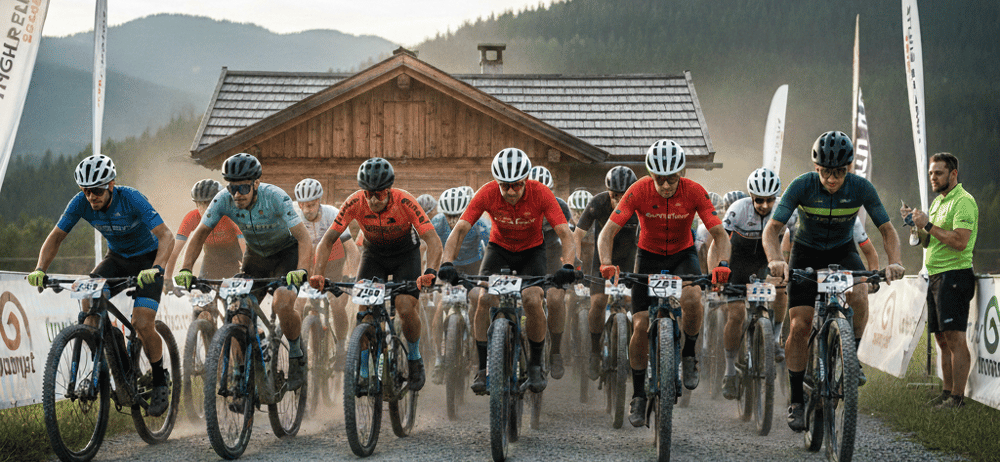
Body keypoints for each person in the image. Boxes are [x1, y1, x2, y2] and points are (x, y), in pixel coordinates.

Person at [761, 131, 905, 431]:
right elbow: (772, 228)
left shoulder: (861, 188)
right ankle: (797, 400)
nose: (832, 179)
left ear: (848, 169)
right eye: (826, 173)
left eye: (839, 173)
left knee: (861, 290)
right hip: (805, 253)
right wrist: (776, 259)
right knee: (800, 326)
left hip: (842, 251)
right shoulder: (801, 185)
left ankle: (851, 352)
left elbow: (888, 230)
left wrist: (895, 262)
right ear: (817, 169)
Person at [597, 140, 732, 427]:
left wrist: (722, 266)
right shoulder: (638, 190)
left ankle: (688, 355)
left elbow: (720, 235)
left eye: (672, 178)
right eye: (660, 178)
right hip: (647, 257)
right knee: (640, 325)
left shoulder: (694, 191)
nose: (667, 185)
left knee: (694, 298)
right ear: (651, 174)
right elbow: (607, 233)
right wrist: (606, 263)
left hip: (683, 256)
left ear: (680, 173)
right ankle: (638, 395)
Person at [28, 154, 175, 416]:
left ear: (110, 185)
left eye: (96, 190)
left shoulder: (131, 198)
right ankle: (111, 348)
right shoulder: (80, 203)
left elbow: (165, 235)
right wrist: (40, 268)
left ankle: (160, 378)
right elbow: (56, 237)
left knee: (142, 323)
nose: (90, 197)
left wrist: (158, 268)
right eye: (85, 191)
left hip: (148, 262)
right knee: (88, 296)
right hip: (116, 259)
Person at [438, 148, 577, 395]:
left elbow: (565, 233)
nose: (511, 191)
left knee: (533, 299)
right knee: (483, 299)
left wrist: (567, 265)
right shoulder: (488, 192)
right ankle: (483, 368)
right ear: (497, 183)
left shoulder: (541, 194)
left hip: (532, 252)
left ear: (526, 180)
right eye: (505, 186)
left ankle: (535, 365)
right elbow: (459, 229)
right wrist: (447, 262)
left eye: (517, 185)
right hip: (498, 250)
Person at [174, 152, 315, 391]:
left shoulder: (276, 197)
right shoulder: (222, 199)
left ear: (256, 184)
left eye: (243, 188)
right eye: (232, 188)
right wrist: (186, 269)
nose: (237, 194)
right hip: (255, 258)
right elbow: (199, 234)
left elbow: (303, 238)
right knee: (238, 311)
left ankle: (296, 353)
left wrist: (301, 270)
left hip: (285, 254)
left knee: (282, 303)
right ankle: (242, 372)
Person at [310, 157, 442, 391]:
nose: (372, 200)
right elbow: (327, 240)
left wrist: (430, 272)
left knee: (404, 306)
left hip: (405, 255)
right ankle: (362, 371)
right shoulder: (355, 202)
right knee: (364, 311)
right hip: (374, 256)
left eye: (379, 194)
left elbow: (432, 239)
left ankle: (414, 359)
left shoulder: (405, 201)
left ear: (389, 191)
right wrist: (318, 274)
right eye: (368, 193)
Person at [900, 152, 978, 409]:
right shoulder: (937, 203)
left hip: (955, 274)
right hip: (935, 276)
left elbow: (959, 241)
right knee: (942, 340)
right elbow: (929, 242)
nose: (933, 177)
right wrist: (916, 226)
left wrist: (929, 225)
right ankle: (947, 393)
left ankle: (958, 399)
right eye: (931, 173)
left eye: (938, 173)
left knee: (955, 339)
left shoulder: (964, 202)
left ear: (953, 174)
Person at [711, 167, 789, 399]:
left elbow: (791, 243)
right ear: (751, 196)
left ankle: (774, 339)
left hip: (767, 262)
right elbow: (717, 242)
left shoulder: (787, 211)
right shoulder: (737, 210)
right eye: (759, 200)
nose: (765, 206)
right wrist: (715, 272)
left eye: (770, 200)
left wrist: (787, 267)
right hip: (738, 264)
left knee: (782, 288)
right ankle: (729, 371)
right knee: (736, 315)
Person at [574, 166, 639, 381]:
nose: (619, 201)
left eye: (624, 196)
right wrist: (575, 263)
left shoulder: (640, 204)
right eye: (614, 196)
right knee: (599, 303)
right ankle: (594, 352)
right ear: (607, 192)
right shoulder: (597, 203)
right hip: (602, 259)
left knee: (635, 304)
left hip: (631, 259)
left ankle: (630, 347)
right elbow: (578, 235)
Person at [291, 178, 359, 361]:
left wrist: (351, 275)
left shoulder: (333, 214)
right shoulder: (294, 216)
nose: (307, 210)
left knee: (337, 306)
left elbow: (352, 250)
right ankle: (297, 347)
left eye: (312, 205)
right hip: (308, 265)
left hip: (335, 264)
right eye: (304, 205)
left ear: (319, 202)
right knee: (297, 305)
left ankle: (342, 348)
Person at [429, 186, 491, 383]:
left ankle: (476, 347)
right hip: (449, 267)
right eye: (449, 215)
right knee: (439, 308)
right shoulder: (437, 222)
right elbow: (429, 246)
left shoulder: (479, 222)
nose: (454, 220)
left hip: (474, 267)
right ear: (442, 213)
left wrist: (489, 276)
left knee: (476, 302)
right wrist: (427, 272)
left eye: (458, 215)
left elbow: (490, 246)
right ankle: (439, 359)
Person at [528, 165, 575, 379]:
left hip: (553, 254)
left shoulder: (561, 207)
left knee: (555, 300)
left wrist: (569, 265)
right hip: (527, 255)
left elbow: (568, 238)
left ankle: (555, 351)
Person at [164, 179, 246, 297]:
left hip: (234, 260)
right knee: (202, 305)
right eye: (200, 204)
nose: (205, 208)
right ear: (196, 204)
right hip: (211, 260)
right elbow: (174, 250)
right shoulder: (191, 217)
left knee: (234, 305)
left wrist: (247, 272)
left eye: (210, 203)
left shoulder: (231, 215)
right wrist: (167, 279)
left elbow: (245, 245)